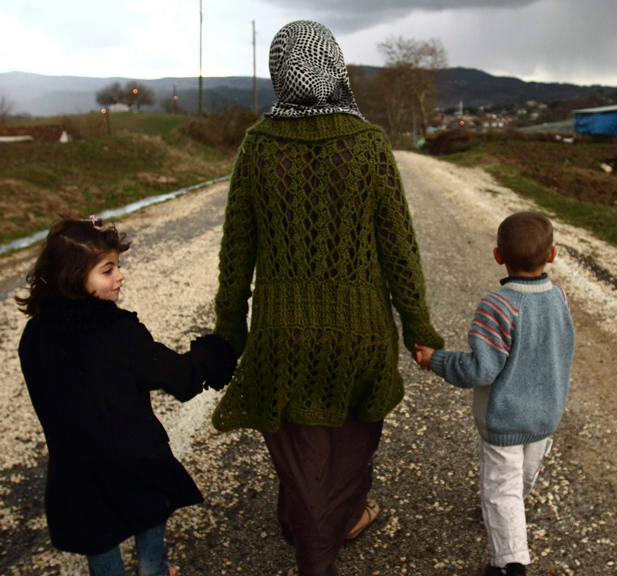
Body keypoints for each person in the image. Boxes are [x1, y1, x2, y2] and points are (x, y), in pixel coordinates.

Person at [211, 20, 444, 576]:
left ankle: (309, 527)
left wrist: (230, 331)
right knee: (349, 451)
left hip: (280, 336)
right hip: (360, 335)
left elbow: (236, 254)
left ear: (279, 75)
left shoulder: (258, 146)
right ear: (335, 68)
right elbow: (399, 250)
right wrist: (418, 328)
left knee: (298, 454)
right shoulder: (368, 145)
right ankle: (319, 546)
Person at [16, 216, 236, 576]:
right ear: (73, 275)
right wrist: (213, 354)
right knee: (149, 525)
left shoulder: (35, 334)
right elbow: (177, 376)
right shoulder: (118, 331)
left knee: (99, 541)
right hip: (135, 459)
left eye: (117, 267)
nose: (120, 276)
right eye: (108, 270)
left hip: (76, 467)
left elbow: (45, 399)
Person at [414, 212, 575, 576]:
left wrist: (436, 360)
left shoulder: (498, 305)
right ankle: (506, 517)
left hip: (506, 418)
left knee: (501, 488)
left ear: (497, 256)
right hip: (545, 416)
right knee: (521, 479)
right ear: (552, 255)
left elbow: (479, 370)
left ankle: (509, 563)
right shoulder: (560, 298)